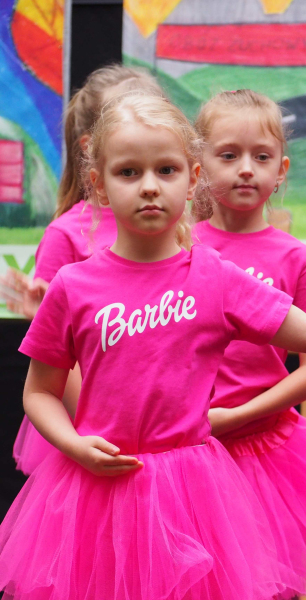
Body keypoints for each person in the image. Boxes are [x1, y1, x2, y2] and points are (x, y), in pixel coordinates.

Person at [0, 93, 306, 600]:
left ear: (192, 180)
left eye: (166, 170)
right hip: (97, 497)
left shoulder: (215, 278)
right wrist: (74, 445)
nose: (149, 186)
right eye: (128, 172)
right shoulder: (74, 287)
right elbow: (40, 392)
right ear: (99, 183)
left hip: (192, 496)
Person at [193, 89, 306, 597]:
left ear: (282, 170)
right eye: (229, 155)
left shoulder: (296, 260)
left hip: (267, 454)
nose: (246, 169)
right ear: (199, 165)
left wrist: (236, 416)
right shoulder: (181, 250)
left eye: (261, 157)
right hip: (189, 455)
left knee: (271, 585)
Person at [3, 64, 165, 475]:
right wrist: (100, 429)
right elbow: (56, 365)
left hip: (168, 429)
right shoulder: (66, 235)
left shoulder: (175, 225)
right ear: (92, 149)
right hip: (100, 434)